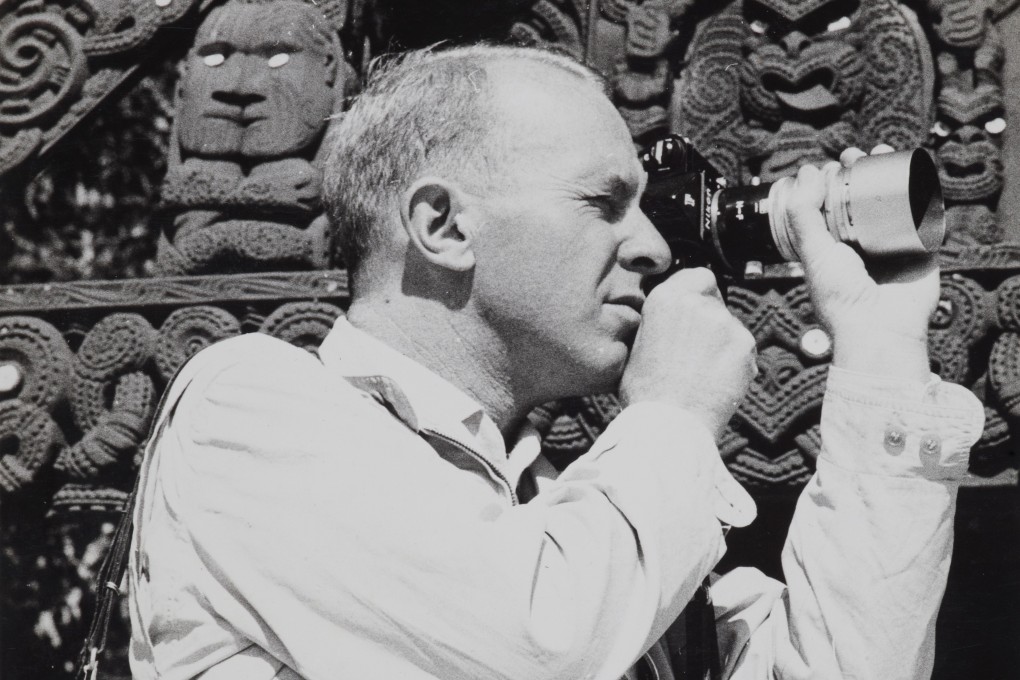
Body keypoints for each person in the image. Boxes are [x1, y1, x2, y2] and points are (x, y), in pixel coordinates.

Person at [125, 45, 984, 680]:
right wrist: (674, 414)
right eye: (605, 203)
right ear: (444, 226)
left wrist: (884, 349)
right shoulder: (247, 412)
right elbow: (539, 642)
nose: (652, 248)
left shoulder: (584, 525)